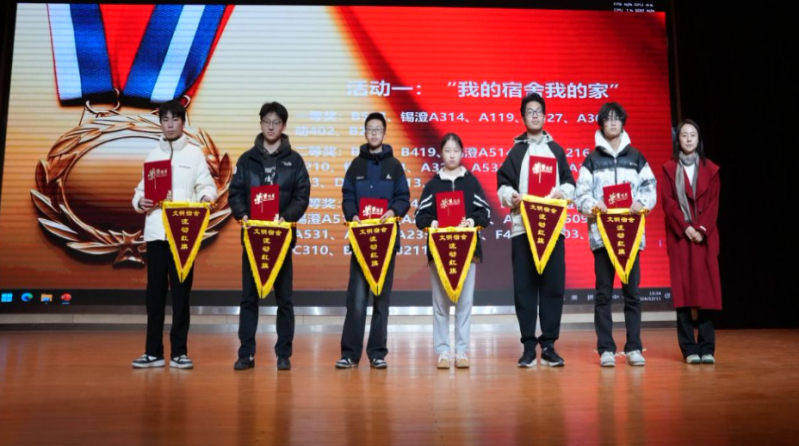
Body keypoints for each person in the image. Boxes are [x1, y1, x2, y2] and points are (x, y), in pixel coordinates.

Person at [131, 100, 218, 369]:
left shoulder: (194, 154)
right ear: (160, 123)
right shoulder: (152, 155)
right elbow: (139, 192)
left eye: (175, 119)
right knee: (154, 296)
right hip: (156, 234)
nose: (169, 125)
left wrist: (206, 197)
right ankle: (153, 352)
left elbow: (207, 186)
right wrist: (140, 202)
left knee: (181, 296)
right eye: (165, 120)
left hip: (183, 234)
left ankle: (180, 352)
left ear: (183, 122)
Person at [575, 102, 657, 367]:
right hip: (602, 236)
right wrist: (593, 205)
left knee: (632, 293)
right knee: (603, 294)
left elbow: (650, 186)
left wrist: (641, 202)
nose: (612, 122)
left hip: (630, 235)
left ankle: (634, 348)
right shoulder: (591, 159)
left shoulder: (636, 157)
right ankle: (606, 349)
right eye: (607, 118)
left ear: (623, 122)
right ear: (601, 123)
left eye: (617, 118)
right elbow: (580, 194)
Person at [229, 101, 310, 371]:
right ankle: (246, 353)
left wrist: (286, 218)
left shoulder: (295, 161)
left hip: (281, 239)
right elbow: (235, 193)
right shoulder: (246, 159)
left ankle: (283, 353)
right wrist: (243, 215)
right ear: (261, 123)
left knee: (284, 300)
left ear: (283, 126)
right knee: (248, 298)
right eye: (267, 121)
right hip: (253, 239)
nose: (271, 126)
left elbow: (302, 196)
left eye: (276, 122)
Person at [497, 93, 575, 368]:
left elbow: (570, 184)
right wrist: (511, 196)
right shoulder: (516, 152)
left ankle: (549, 345)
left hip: (553, 229)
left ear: (545, 115)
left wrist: (561, 193)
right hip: (523, 229)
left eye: (538, 111)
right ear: (523, 117)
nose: (534, 115)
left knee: (553, 287)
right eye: (529, 111)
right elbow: (502, 185)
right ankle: (529, 346)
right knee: (525, 288)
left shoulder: (557, 150)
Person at [336, 112, 410, 369]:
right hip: (361, 242)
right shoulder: (356, 165)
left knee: (381, 299)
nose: (374, 133)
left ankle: (377, 353)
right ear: (365, 133)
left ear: (384, 133)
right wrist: (353, 215)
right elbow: (347, 195)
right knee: (356, 299)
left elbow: (404, 198)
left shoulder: (395, 166)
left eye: (378, 129)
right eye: (370, 129)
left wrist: (393, 211)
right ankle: (349, 354)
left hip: (386, 242)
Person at [416, 133, 491, 369]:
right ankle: (442, 351)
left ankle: (461, 351)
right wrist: (433, 223)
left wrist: (471, 221)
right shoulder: (433, 185)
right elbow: (420, 216)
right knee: (440, 303)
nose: (451, 155)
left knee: (464, 302)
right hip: (439, 253)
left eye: (455, 151)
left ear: (461, 153)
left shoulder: (471, 182)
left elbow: (485, 213)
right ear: (441, 153)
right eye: (447, 150)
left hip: (467, 252)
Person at [660, 119, 721, 364]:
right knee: (683, 294)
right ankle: (688, 349)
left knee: (706, 294)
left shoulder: (711, 169)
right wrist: (686, 228)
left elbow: (713, 203)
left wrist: (701, 229)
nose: (688, 139)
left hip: (705, 238)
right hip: (680, 238)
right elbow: (668, 203)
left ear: (698, 139)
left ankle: (707, 348)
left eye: (692, 135)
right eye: (684, 135)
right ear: (678, 140)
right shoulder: (668, 168)